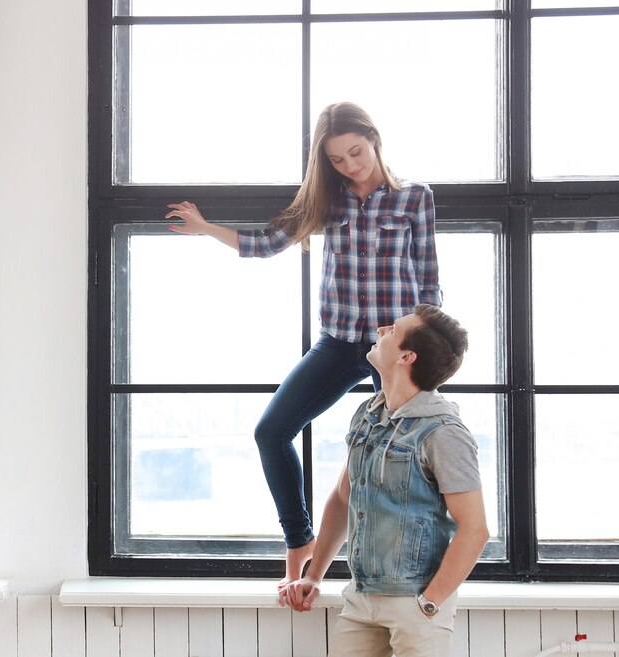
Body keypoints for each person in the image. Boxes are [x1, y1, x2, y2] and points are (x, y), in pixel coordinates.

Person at [165, 102, 442, 585]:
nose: (350, 166)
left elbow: (429, 282)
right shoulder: (325, 202)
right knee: (270, 433)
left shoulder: (415, 198)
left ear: (373, 139)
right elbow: (268, 243)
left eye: (356, 152)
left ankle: (403, 562)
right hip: (337, 343)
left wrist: (420, 348)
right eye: (338, 160)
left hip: (392, 350)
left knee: (408, 452)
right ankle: (300, 541)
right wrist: (206, 228)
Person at [278, 304, 489, 657]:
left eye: (392, 330)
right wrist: (314, 576)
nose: (380, 331)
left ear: (407, 356)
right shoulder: (367, 414)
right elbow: (343, 499)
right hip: (361, 597)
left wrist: (431, 603)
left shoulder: (444, 432)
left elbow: (476, 529)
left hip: (417, 602)